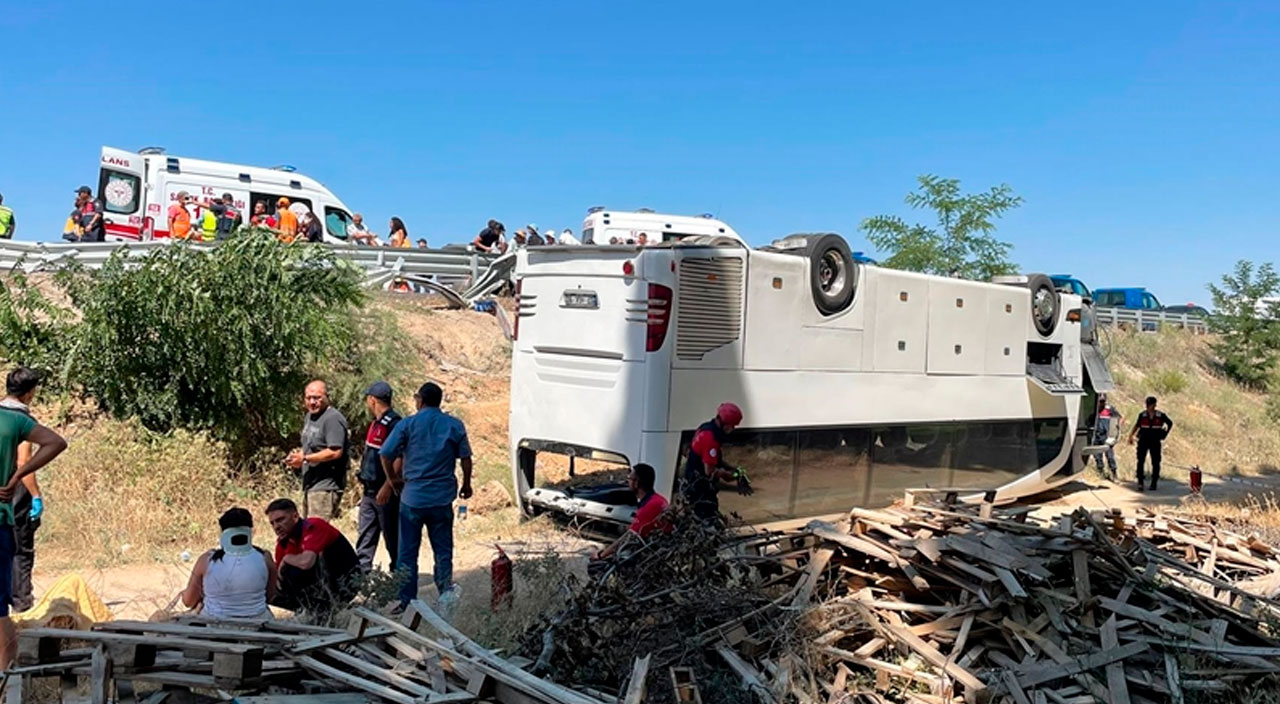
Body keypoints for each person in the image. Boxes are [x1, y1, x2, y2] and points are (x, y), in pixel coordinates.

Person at [380, 382, 473, 611]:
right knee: (442, 548)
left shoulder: (407, 425)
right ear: (439, 401)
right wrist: (467, 484)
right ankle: (444, 595)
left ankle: (407, 601)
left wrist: (392, 480)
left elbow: (385, 453)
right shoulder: (454, 425)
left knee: (407, 552)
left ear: (419, 400)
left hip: (412, 498)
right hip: (441, 498)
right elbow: (466, 458)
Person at [0, 376, 67, 669]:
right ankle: (5, 678)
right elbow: (55, 443)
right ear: (30, 393)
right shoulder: (17, 422)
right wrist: (18, 479)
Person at [178, 508, 277, 619]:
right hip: (258, 623)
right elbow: (269, 597)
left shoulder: (206, 560)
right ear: (250, 532)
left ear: (223, 533)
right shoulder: (265, 557)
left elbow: (188, 601)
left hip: (214, 625)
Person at [2, 368, 47, 614]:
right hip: (15, 490)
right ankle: (22, 606)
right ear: (30, 393)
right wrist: (36, 496)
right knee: (21, 548)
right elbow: (23, 462)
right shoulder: (22, 420)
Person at [266, 498, 359, 614]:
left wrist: (286, 559)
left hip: (346, 581)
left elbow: (306, 563)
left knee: (292, 570)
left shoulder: (314, 526)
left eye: (280, 520)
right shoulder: (283, 544)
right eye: (272, 523)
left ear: (295, 516)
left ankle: (321, 609)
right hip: (322, 584)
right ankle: (311, 610)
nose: (276, 527)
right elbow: (278, 581)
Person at [285, 381, 350, 519]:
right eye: (308, 398)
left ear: (327, 397)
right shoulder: (310, 416)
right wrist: (298, 458)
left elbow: (335, 451)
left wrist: (305, 459)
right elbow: (312, 447)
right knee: (308, 532)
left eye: (317, 398)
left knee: (317, 534)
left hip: (326, 486)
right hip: (310, 483)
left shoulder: (333, 419)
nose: (312, 402)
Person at [356, 382, 402, 573]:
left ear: (372, 400)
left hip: (385, 492)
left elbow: (400, 457)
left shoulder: (394, 423)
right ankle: (360, 577)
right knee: (365, 536)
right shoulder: (376, 423)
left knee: (392, 538)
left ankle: (399, 578)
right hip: (369, 491)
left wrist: (388, 486)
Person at [682, 403, 752, 521]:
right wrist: (734, 475)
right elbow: (710, 471)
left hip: (694, 488)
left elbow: (714, 461)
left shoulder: (706, 428)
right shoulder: (711, 439)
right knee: (709, 523)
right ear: (725, 424)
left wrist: (737, 471)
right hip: (700, 492)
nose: (732, 429)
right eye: (732, 426)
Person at [591, 464, 670, 561]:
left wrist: (601, 555)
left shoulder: (650, 506)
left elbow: (628, 538)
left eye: (630, 478)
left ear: (637, 483)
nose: (627, 481)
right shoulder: (658, 499)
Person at [1127, 396, 1173, 491]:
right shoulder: (1142, 415)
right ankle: (1140, 482)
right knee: (1140, 461)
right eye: (1148, 405)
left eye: (1151, 404)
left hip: (1155, 441)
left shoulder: (1160, 415)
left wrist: (1165, 433)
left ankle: (1154, 482)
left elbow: (1170, 423)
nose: (1149, 406)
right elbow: (1137, 425)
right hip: (1143, 440)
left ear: (1155, 405)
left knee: (1155, 462)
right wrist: (1131, 436)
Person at [1093, 395, 1122, 481]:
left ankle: (1114, 473)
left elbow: (1119, 418)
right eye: (1100, 401)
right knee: (1097, 456)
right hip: (1096, 435)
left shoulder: (1110, 409)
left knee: (1110, 456)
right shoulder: (1094, 409)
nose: (1101, 403)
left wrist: (1116, 429)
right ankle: (1100, 472)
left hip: (1106, 436)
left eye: (1103, 401)